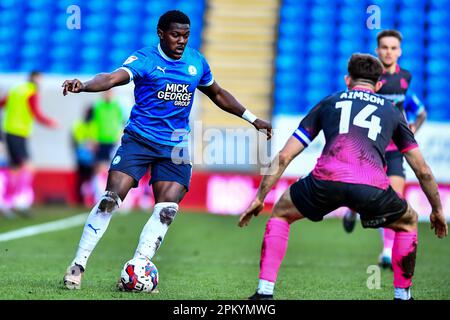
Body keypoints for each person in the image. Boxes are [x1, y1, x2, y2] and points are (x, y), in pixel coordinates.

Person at [61, 10, 272, 290]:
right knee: (110, 199)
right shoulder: (145, 59)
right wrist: (85, 85)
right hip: (140, 139)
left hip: (175, 144)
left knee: (167, 209)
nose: (181, 41)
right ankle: (78, 263)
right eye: (175, 35)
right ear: (161, 34)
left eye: (186, 35)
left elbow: (218, 94)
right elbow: (112, 78)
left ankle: (138, 266)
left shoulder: (196, 62)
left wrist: (252, 119)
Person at [239, 53, 447, 300]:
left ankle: (264, 292)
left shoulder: (329, 102)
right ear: (379, 85)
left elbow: (284, 156)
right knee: (407, 222)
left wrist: (260, 197)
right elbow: (422, 170)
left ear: (348, 80)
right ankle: (403, 296)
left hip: (325, 182)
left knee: (282, 213)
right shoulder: (392, 112)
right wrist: (436, 210)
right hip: (372, 187)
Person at [342, 30, 426, 269]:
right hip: (370, 144)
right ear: (377, 50)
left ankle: (387, 251)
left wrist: (411, 128)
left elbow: (419, 111)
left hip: (394, 146)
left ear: (399, 51)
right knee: (361, 189)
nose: (389, 51)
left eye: (393, 48)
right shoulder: (370, 78)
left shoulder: (406, 78)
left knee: (395, 197)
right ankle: (352, 210)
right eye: (384, 47)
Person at [0, 71, 58, 216]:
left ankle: (6, 202)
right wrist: (50, 122)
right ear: (36, 79)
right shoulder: (31, 92)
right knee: (28, 167)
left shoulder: (16, 89)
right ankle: (20, 202)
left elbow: (2, 103)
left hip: (9, 131)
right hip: (19, 133)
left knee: (14, 168)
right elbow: (35, 113)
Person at [89, 90, 125, 203]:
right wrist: (93, 138)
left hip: (113, 141)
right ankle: (97, 196)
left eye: (110, 92)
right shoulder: (97, 106)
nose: (108, 94)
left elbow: (122, 122)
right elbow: (93, 123)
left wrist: (120, 137)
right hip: (100, 140)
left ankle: (112, 196)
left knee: (114, 169)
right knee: (99, 168)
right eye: (106, 92)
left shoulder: (118, 106)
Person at [71, 106, 96, 206]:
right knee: (81, 179)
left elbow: (95, 140)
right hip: (82, 157)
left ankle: (88, 199)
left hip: (91, 158)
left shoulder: (94, 125)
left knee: (90, 179)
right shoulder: (79, 125)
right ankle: (79, 200)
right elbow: (77, 140)